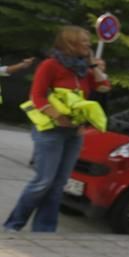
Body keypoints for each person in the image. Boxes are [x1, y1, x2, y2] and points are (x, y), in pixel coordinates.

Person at [3, 28, 110, 234]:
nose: (89, 45)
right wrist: (59, 117)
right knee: (43, 181)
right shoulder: (50, 65)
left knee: (58, 184)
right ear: (70, 44)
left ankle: (44, 230)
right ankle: (13, 226)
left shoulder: (84, 71)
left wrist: (95, 68)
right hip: (50, 131)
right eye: (84, 42)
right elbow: (37, 96)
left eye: (89, 42)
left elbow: (104, 88)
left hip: (74, 134)